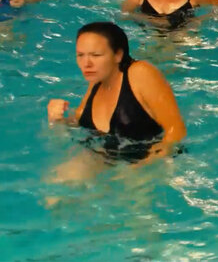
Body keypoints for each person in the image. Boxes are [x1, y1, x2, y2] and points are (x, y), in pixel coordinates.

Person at [47, 22, 186, 164]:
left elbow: (176, 131)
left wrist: (143, 169)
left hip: (156, 161)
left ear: (118, 55)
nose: (86, 63)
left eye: (96, 55)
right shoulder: (97, 79)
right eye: (80, 55)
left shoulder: (140, 73)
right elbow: (78, 124)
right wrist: (58, 119)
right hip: (110, 158)